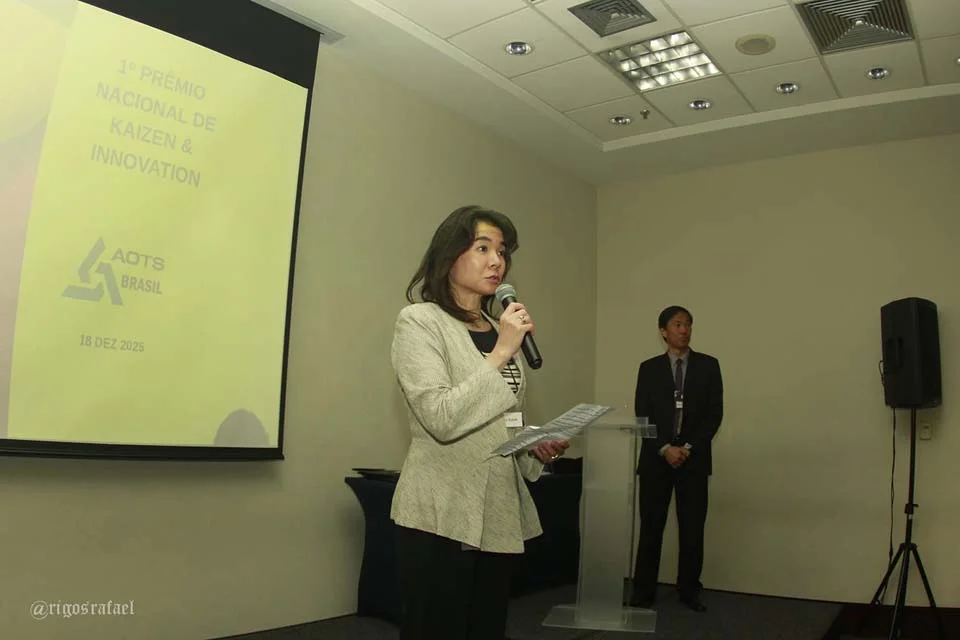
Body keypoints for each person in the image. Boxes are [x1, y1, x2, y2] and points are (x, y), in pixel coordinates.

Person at [390, 205, 569, 640]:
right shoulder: (420, 321)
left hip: (497, 511)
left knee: (486, 628)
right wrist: (502, 351)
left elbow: (501, 417)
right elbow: (440, 417)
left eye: (502, 252)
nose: (497, 262)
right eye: (483, 248)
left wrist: (532, 444)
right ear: (449, 256)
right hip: (441, 511)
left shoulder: (497, 327)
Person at [630, 305, 723, 612]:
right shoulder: (649, 368)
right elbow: (642, 416)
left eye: (688, 325)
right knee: (651, 528)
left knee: (692, 529)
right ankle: (643, 593)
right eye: (678, 324)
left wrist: (688, 448)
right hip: (656, 461)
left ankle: (689, 591)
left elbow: (714, 415)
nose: (685, 330)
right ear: (663, 331)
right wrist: (664, 448)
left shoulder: (709, 366)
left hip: (693, 461)